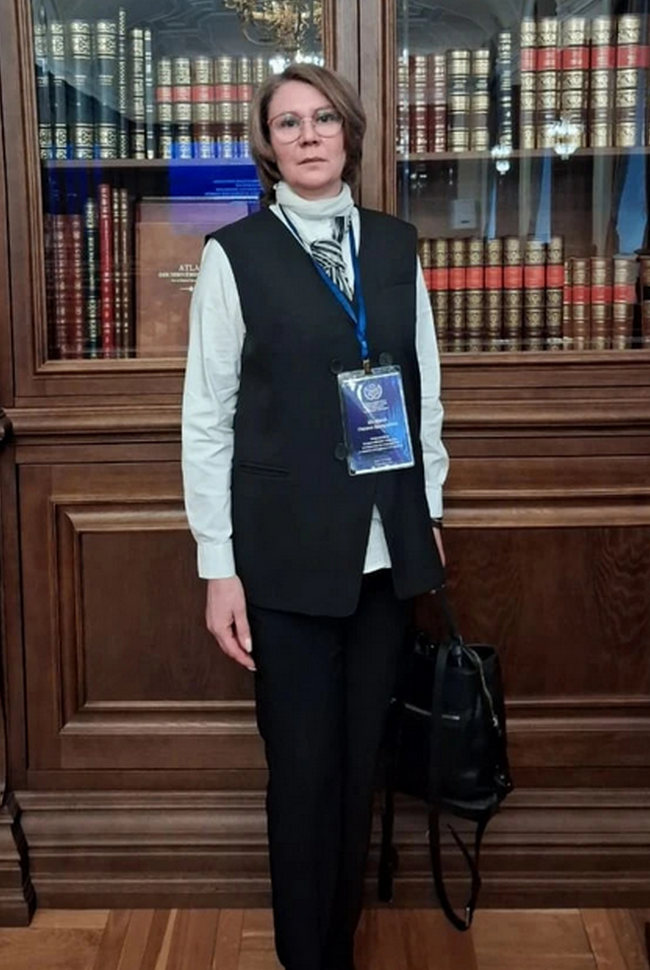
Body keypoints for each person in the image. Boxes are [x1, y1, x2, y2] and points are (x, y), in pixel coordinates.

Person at [182, 62, 449, 970]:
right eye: (287, 122)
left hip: (385, 547)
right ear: (268, 145)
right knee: (301, 775)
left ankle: (338, 948)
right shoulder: (234, 255)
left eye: (322, 118)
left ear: (348, 133)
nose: (307, 135)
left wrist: (429, 510)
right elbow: (207, 419)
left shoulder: (396, 246)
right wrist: (218, 566)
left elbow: (423, 395)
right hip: (283, 558)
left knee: (360, 766)